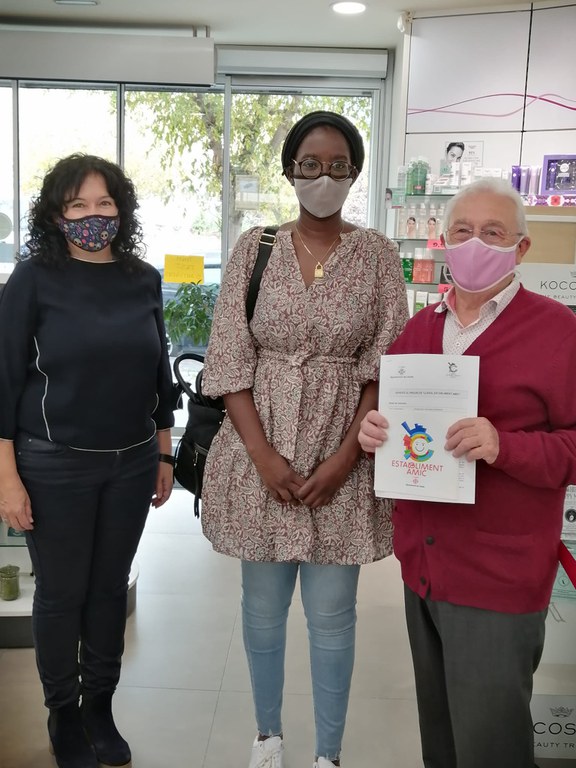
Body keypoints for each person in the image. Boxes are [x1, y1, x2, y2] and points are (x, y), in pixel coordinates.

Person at [200, 111, 410, 768]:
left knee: (333, 616)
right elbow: (229, 357)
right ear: (291, 170)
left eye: (338, 165)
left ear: (355, 173)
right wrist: (263, 458)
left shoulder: (377, 255)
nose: (324, 176)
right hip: (257, 450)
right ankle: (268, 736)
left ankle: (328, 753)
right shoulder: (254, 248)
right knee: (262, 611)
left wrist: (346, 459)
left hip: (344, 452)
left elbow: (385, 364)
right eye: (310, 164)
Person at [358, 178, 576, 768]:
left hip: (500, 578)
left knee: (491, 747)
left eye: (493, 232)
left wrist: (505, 446)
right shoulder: (420, 329)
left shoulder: (558, 331)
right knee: (442, 742)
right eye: (463, 231)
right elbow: (401, 430)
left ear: (521, 248)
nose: (475, 243)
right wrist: (375, 435)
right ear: (444, 241)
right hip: (424, 570)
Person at [0, 154, 175, 768]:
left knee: (107, 589)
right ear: (56, 214)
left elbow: (158, 370)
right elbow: (4, 380)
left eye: (104, 203)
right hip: (54, 464)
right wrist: (7, 477)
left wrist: (163, 449)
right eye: (78, 205)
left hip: (132, 462)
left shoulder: (142, 278)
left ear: (122, 210)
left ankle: (100, 707)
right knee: (61, 593)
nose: (92, 215)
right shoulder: (32, 279)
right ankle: (63, 714)